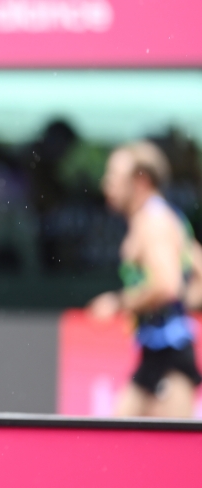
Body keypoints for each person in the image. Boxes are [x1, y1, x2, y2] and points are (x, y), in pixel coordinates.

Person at [88, 141, 202, 417]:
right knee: (118, 447)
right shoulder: (161, 217)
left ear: (141, 180)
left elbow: (166, 285)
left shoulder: (154, 222)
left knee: (168, 456)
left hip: (170, 358)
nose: (107, 184)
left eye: (114, 176)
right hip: (155, 353)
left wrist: (118, 302)